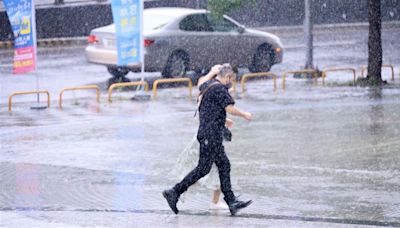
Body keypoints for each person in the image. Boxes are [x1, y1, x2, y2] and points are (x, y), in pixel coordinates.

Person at [163, 64, 252, 216]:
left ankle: (231, 201)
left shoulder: (209, 84)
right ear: (228, 77)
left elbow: (209, 105)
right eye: (232, 80)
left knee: (223, 165)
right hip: (210, 135)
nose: (232, 83)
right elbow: (229, 108)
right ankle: (174, 191)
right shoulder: (219, 89)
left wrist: (224, 121)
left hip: (210, 134)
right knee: (203, 169)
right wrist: (245, 114)